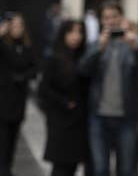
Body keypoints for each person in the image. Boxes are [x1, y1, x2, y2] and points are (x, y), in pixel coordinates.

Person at [79, 0, 138, 176]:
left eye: (115, 16)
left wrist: (136, 49)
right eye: (106, 17)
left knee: (126, 170)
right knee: (100, 169)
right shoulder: (95, 44)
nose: (111, 21)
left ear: (121, 18)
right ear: (101, 21)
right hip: (98, 117)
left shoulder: (135, 44)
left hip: (126, 117)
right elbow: (82, 71)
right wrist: (98, 49)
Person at [39, 20, 90, 176]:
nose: (76, 36)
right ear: (64, 34)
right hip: (60, 120)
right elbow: (43, 89)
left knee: (72, 166)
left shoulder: (83, 57)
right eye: (71, 32)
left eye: (79, 32)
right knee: (61, 167)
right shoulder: (54, 57)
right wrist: (65, 103)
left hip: (79, 121)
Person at [0, 12, 37, 176]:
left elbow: (34, 68)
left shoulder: (27, 46)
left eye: (20, 25)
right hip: (2, 100)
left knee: (12, 140)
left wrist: (23, 77)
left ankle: (7, 168)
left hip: (18, 100)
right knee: (3, 141)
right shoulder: (2, 45)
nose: (17, 29)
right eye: (13, 25)